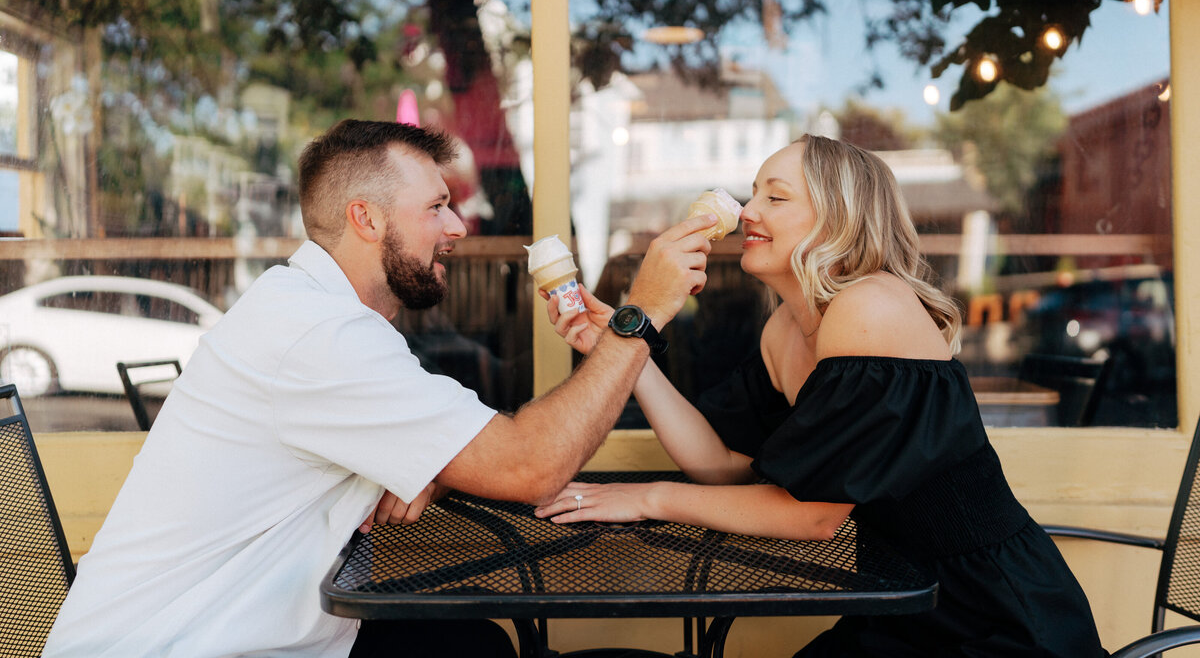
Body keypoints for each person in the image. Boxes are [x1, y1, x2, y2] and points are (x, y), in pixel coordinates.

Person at [42, 119, 714, 658]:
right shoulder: (321, 337)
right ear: (367, 219)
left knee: (471, 643)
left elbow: (486, 451)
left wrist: (432, 465)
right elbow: (529, 465)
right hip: (188, 645)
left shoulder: (311, 312)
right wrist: (641, 314)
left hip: (258, 630)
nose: (457, 228)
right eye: (437, 207)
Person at [534, 135, 1107, 657]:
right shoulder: (784, 328)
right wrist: (627, 354)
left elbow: (814, 516)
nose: (747, 211)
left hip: (994, 616)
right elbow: (723, 466)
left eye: (775, 198)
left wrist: (649, 498)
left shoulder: (869, 308)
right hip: (901, 604)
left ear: (839, 219)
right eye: (753, 193)